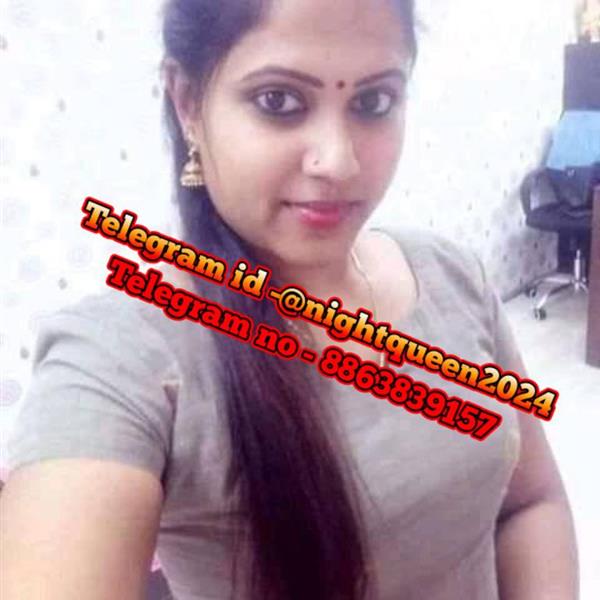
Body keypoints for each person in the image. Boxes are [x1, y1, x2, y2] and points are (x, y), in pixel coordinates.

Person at [0, 1, 579, 599]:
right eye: (278, 101)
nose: (339, 161)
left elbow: (530, 502)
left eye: (373, 102)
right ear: (188, 102)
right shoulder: (123, 356)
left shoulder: (452, 275)